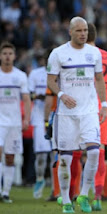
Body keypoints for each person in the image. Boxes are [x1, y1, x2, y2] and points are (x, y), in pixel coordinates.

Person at [47, 17, 107, 214]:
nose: (83, 34)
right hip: (66, 115)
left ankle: (83, 193)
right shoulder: (58, 54)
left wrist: (104, 104)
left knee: (93, 152)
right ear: (70, 32)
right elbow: (51, 80)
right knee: (66, 159)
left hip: (89, 111)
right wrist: (62, 95)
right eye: (79, 31)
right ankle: (65, 199)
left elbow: (99, 79)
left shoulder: (94, 53)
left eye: (85, 31)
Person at [86, 23, 107, 210]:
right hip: (102, 108)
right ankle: (97, 196)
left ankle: (73, 195)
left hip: (80, 107)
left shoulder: (77, 55)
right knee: (99, 152)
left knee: (75, 153)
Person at [0, 42, 31, 203]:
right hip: (0, 121)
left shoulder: (20, 76)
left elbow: (26, 99)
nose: (7, 56)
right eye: (4, 53)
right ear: (0, 56)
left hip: (14, 122)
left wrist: (26, 118)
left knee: (10, 157)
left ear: (14, 56)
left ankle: (6, 192)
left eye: (10, 54)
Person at [29, 51, 53, 199]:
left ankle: (55, 189)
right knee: (41, 155)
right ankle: (40, 179)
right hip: (39, 117)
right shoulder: (35, 74)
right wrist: (39, 96)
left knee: (55, 154)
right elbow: (28, 94)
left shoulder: (61, 74)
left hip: (56, 115)